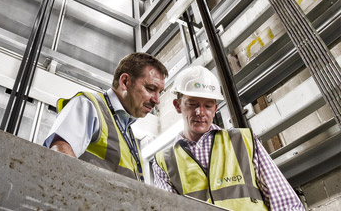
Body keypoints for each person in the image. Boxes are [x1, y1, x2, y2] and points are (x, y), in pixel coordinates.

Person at [153, 65, 305, 211]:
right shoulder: (164, 162)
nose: (200, 112)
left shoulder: (244, 141)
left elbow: (285, 203)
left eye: (207, 106)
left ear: (215, 109)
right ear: (177, 105)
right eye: (192, 104)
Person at [44, 52, 168, 181]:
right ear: (125, 82)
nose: (157, 100)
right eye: (150, 88)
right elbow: (59, 155)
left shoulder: (127, 133)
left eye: (160, 92)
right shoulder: (89, 105)